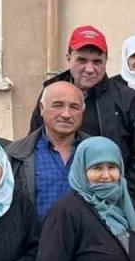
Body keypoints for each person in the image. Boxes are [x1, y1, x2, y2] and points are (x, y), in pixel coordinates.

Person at [29, 25, 135, 195]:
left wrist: (122, 192)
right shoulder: (50, 94)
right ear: (68, 58)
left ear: (106, 61)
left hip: (109, 199)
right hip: (53, 194)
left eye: (97, 62)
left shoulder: (128, 99)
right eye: (82, 60)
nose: (89, 69)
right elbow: (34, 145)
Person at [9, 81, 85, 220]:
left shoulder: (96, 153)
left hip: (86, 240)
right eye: (58, 105)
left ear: (82, 112)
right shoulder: (16, 155)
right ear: (41, 108)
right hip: (35, 240)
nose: (66, 114)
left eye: (74, 107)